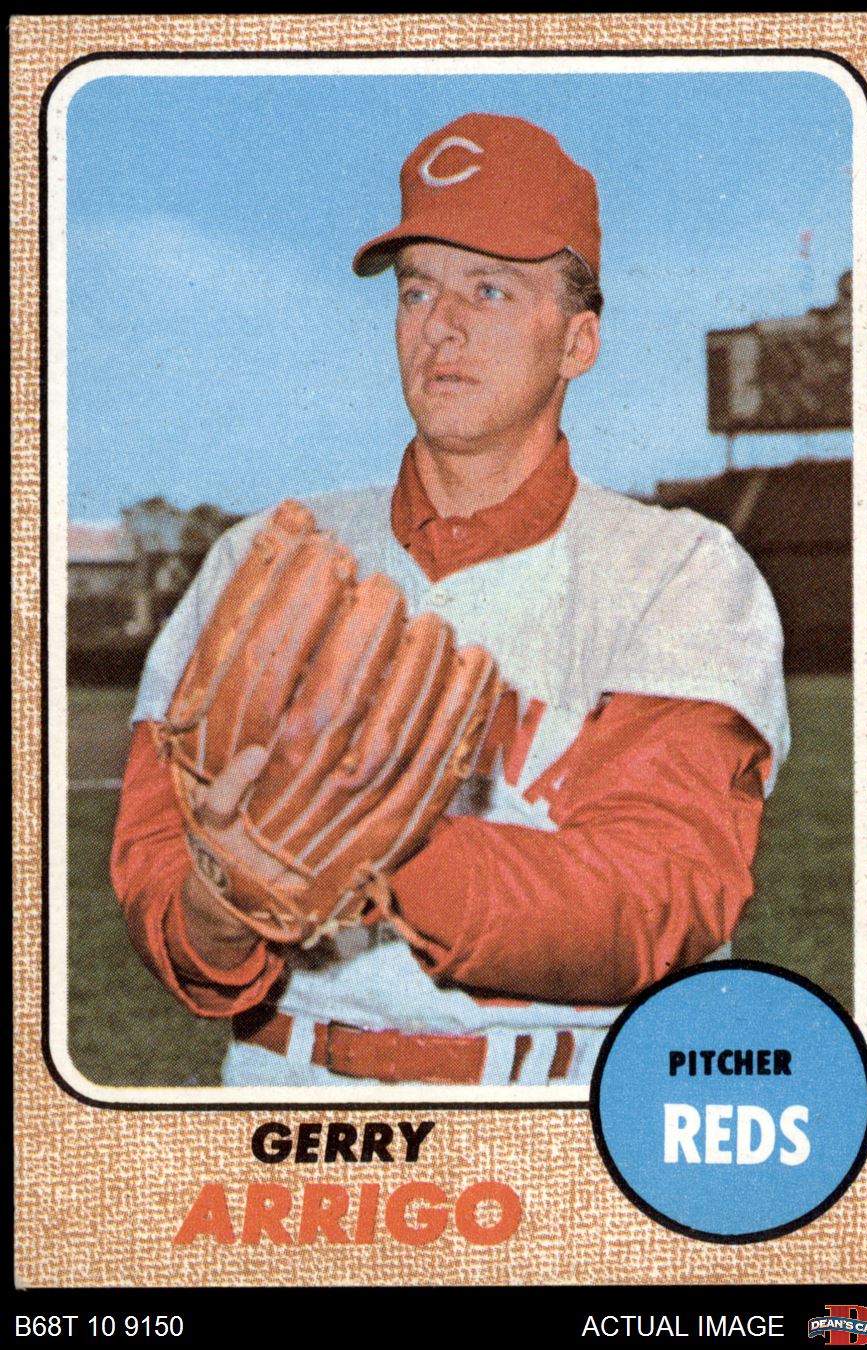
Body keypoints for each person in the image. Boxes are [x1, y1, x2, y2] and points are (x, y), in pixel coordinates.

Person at [111, 113, 789, 1089]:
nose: (441, 325)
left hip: (567, 1096)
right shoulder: (264, 556)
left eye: (489, 288)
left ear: (578, 340)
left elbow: (661, 893)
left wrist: (386, 850)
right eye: (416, 289)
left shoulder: (681, 570)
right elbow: (154, 864)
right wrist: (216, 913)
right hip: (292, 1087)